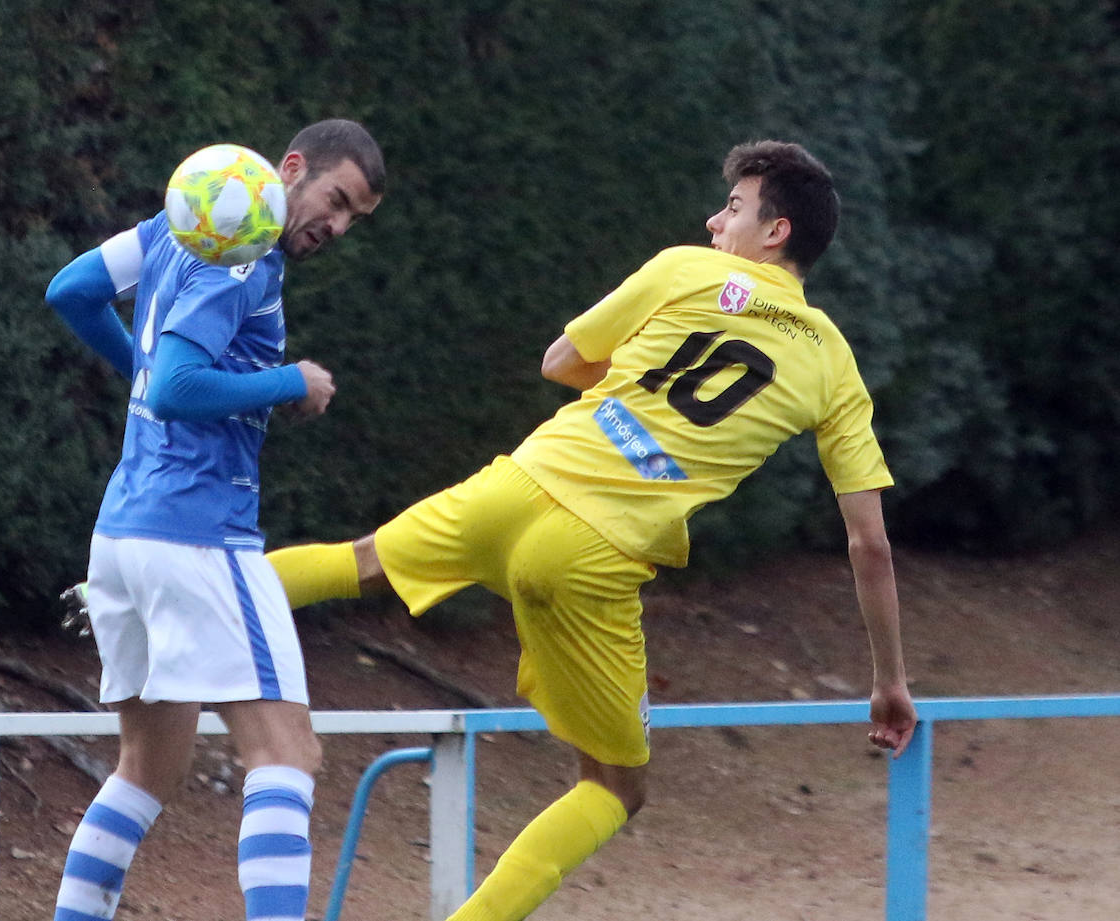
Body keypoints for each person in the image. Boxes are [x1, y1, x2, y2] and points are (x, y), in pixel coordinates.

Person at [266, 140, 916, 921]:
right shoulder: (835, 364)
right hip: (592, 554)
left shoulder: (684, 268)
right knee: (613, 785)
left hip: (519, 485)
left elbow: (559, 361)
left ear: (775, 232)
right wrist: (888, 680)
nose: (715, 220)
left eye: (734, 208)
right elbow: (869, 543)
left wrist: (627, 393)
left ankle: (137, 594)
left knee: (356, 560)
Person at [43, 118, 384, 921]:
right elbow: (177, 389)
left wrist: (142, 363)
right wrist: (286, 381)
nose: (335, 226)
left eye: (353, 218)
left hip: (121, 536)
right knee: (287, 753)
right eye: (335, 200)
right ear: (292, 168)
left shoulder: (178, 222)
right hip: (197, 533)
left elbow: (71, 291)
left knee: (145, 768)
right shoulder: (247, 258)